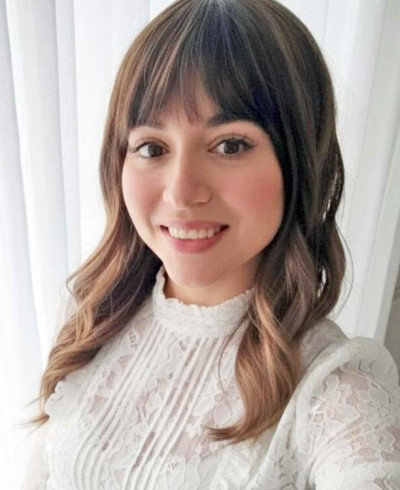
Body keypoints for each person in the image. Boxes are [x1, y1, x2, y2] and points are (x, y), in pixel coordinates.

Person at [20, 0, 400, 488]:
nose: (181, 192)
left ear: (299, 159)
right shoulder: (93, 315)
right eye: (152, 148)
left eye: (230, 145)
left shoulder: (337, 391)